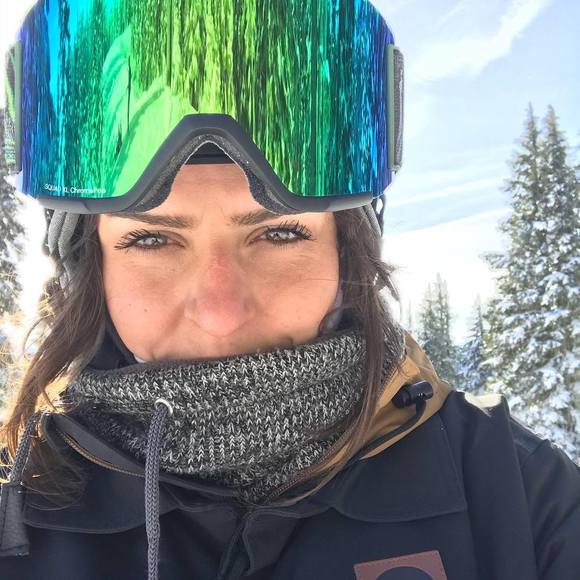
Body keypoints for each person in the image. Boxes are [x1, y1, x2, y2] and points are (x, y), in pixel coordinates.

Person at [1, 2, 579, 579]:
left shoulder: (521, 501)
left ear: (346, 254)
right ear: (90, 270)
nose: (221, 313)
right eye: (152, 240)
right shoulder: (14, 506)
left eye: (278, 234)